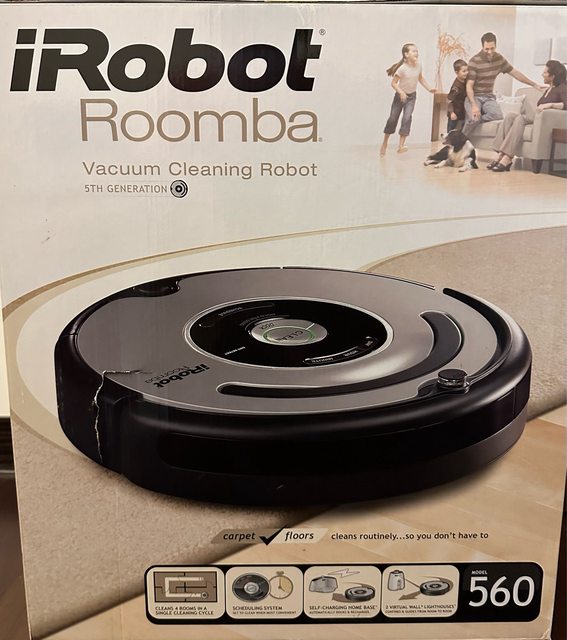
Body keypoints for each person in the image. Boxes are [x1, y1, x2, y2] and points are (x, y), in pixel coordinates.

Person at [488, 60, 567, 171]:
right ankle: (501, 154)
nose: (542, 74)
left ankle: (507, 157)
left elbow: (566, 104)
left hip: (544, 122)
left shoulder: (563, 87)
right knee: (510, 116)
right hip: (537, 118)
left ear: (552, 76)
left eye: (545, 72)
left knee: (520, 118)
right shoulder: (549, 88)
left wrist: (550, 105)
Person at [463, 32, 541, 136]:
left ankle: (472, 119)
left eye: (492, 48)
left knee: (497, 116)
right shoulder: (474, 61)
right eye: (487, 49)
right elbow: (469, 85)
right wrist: (473, 106)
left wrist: (534, 84)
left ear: (496, 45)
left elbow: (515, 73)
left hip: (488, 96)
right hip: (474, 96)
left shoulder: (499, 59)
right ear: (482, 47)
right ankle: (459, 140)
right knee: (474, 119)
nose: (490, 52)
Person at [380, 43, 435, 156]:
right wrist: (401, 92)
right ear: (406, 54)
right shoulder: (402, 69)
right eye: (413, 51)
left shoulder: (419, 66)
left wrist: (429, 88)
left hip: (411, 97)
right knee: (392, 119)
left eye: (417, 51)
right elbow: (393, 83)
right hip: (399, 97)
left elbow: (421, 79)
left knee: (407, 118)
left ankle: (401, 146)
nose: (416, 53)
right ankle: (385, 143)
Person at [446, 59, 468, 132]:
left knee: (460, 132)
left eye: (467, 70)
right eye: (464, 71)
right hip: (454, 113)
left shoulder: (465, 82)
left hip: (461, 112)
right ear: (456, 72)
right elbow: (449, 100)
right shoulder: (456, 87)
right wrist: (452, 113)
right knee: (451, 132)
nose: (466, 73)